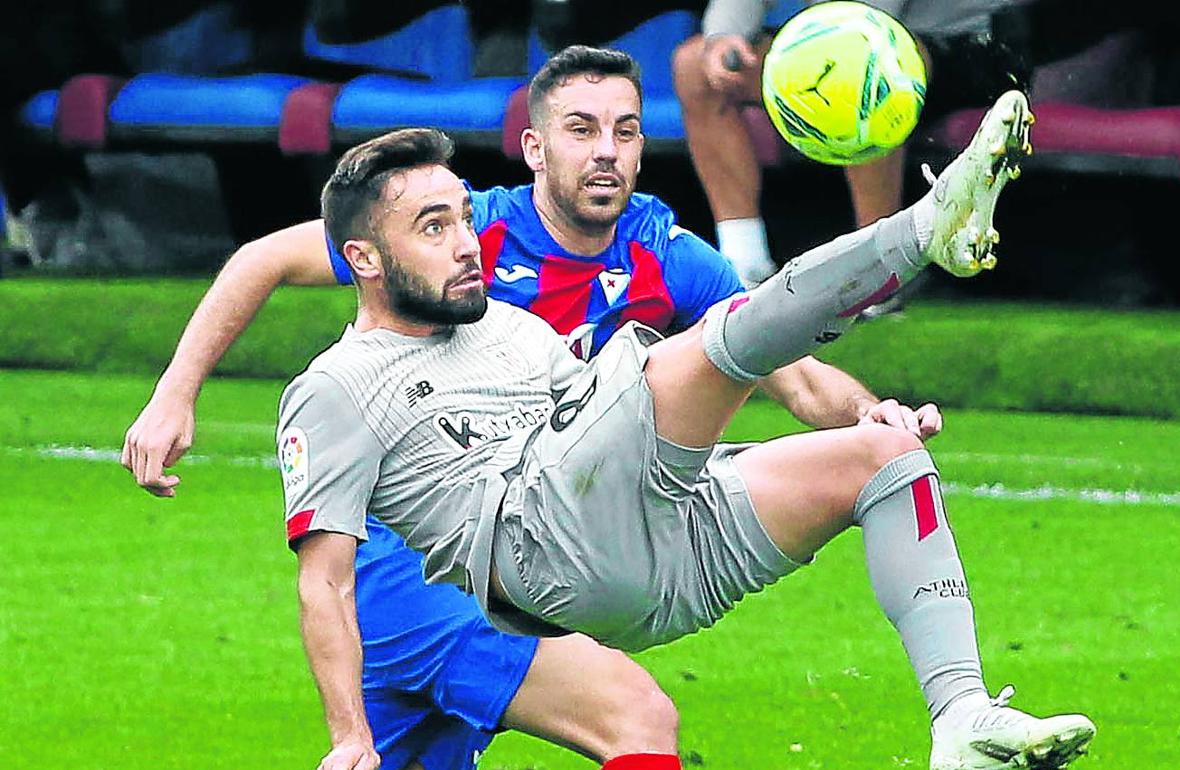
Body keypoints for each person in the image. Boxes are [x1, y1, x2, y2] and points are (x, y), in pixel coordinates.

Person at [123, 46, 942, 770]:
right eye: (582, 129)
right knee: (636, 716)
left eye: (625, 131)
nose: (607, 153)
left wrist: (871, 420)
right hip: (426, 575)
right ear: (535, 147)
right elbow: (266, 255)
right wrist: (173, 394)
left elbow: (797, 378)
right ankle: (910, 233)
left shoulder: (663, 252)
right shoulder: (457, 234)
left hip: (521, 560)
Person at [280, 83, 1096, 770]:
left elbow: (603, 425)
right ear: (363, 259)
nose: (465, 244)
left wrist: (859, 411)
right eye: (433, 228)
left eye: (463, 218)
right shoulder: (336, 388)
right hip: (537, 549)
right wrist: (348, 735)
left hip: (650, 567)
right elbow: (325, 580)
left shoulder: (507, 327)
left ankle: (961, 717)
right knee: (697, 352)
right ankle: (924, 232)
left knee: (883, 458)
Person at [672, 0, 1027, 287]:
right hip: (845, 36)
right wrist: (724, 38)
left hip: (973, 42)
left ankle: (881, 274)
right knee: (694, 65)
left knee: (857, 72)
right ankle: (744, 269)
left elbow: (870, 17)